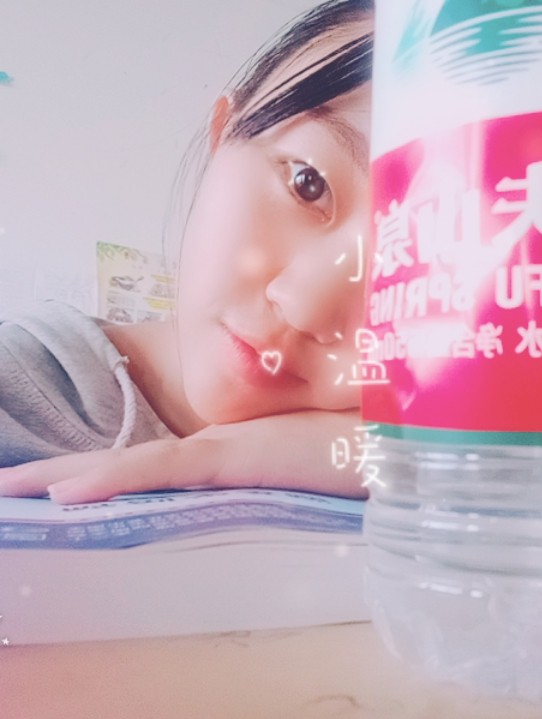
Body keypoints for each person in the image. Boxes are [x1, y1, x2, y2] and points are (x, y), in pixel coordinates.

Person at [0, 0, 374, 505]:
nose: (303, 305)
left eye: (407, 268)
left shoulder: (440, 478)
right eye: (308, 183)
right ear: (224, 133)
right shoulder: (19, 390)